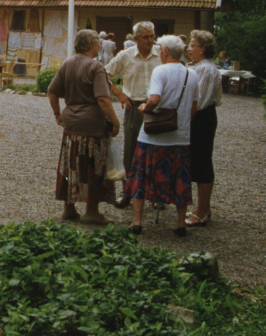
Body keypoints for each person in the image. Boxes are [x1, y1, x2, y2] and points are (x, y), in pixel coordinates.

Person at [48, 29, 121, 225]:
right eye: (98, 43)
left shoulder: (67, 64)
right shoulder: (96, 67)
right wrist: (115, 121)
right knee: (93, 165)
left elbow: (52, 91)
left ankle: (69, 207)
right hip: (92, 125)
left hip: (71, 124)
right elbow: (103, 99)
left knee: (70, 163)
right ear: (91, 44)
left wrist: (57, 113)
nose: (100, 47)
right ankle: (91, 210)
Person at [129, 35, 197, 237]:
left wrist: (144, 109)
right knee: (180, 179)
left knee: (141, 176)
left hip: (154, 137)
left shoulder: (160, 71)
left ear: (165, 51)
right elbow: (194, 106)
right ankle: (180, 224)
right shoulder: (191, 74)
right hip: (180, 137)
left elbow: (155, 99)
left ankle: (137, 221)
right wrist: (183, 122)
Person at [105, 21, 161, 208]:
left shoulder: (161, 54)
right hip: (134, 107)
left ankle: (156, 195)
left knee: (157, 151)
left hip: (157, 109)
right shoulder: (125, 56)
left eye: (152, 36)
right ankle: (127, 192)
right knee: (131, 151)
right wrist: (119, 94)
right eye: (145, 37)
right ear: (135, 39)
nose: (150, 40)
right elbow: (104, 74)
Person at [185, 30, 223, 227]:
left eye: (192, 45)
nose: (189, 49)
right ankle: (203, 207)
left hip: (202, 118)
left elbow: (200, 100)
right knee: (198, 160)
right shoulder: (200, 67)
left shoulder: (206, 69)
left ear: (201, 49)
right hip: (200, 117)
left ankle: (202, 211)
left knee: (202, 162)